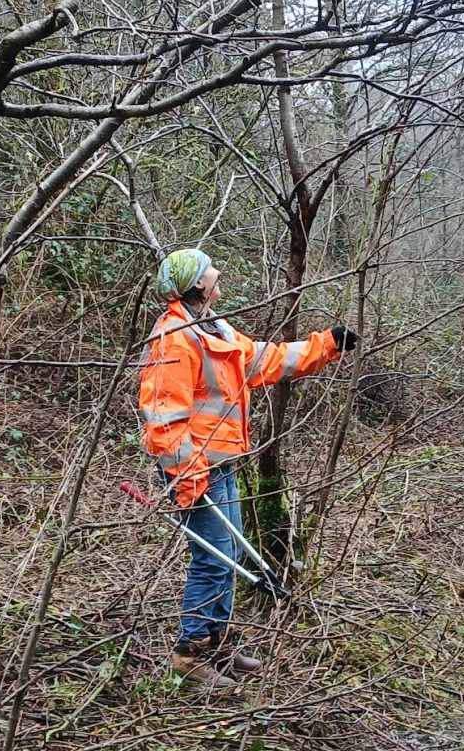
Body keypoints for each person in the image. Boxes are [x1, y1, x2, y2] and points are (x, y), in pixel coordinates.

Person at [138, 248, 357, 687]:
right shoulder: (174, 340)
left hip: (222, 465)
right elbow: (163, 418)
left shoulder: (215, 329)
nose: (218, 271)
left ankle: (217, 642)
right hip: (195, 471)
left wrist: (328, 344)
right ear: (198, 283)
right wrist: (188, 476)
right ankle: (189, 653)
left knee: (228, 556)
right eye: (210, 269)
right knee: (212, 560)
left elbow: (268, 360)